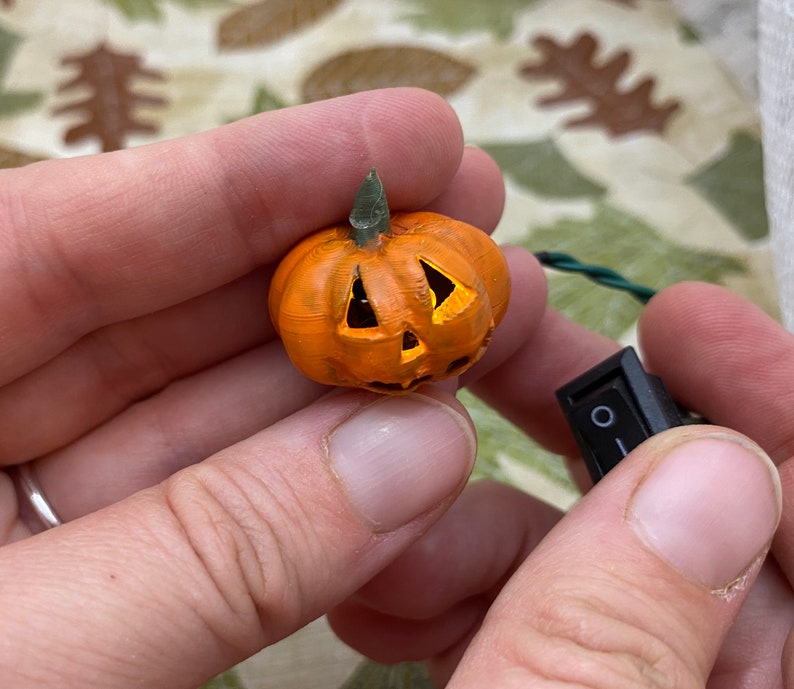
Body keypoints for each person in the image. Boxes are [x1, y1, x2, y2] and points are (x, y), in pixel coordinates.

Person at [0, 87, 788, 688]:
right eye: (366, 316)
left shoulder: (443, 254)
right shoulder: (323, 281)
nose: (406, 340)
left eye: (438, 297)